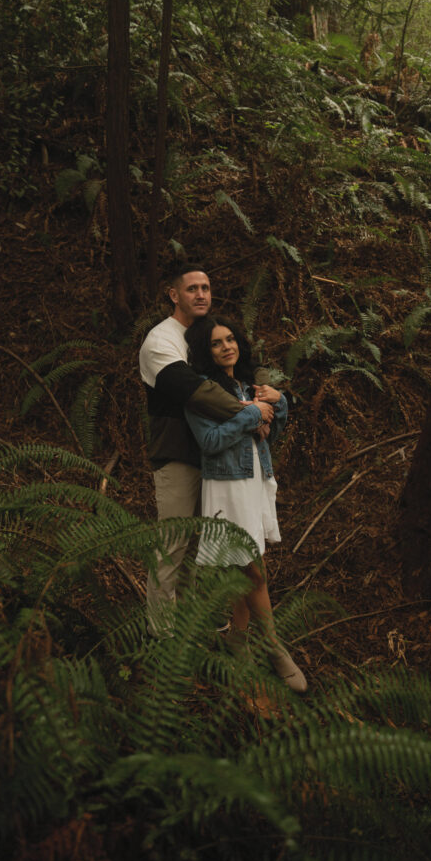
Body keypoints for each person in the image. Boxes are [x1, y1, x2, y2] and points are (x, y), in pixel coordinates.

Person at [138, 264, 274, 636]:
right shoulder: (160, 341)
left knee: (219, 546)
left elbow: (248, 363)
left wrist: (269, 392)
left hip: (220, 459)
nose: (201, 294)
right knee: (173, 545)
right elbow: (195, 391)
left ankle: (200, 621)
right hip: (180, 456)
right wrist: (251, 411)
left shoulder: (208, 331)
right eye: (192, 288)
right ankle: (163, 634)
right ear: (174, 295)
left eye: (206, 287)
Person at [184, 314, 308, 694]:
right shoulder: (203, 391)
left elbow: (269, 432)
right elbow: (209, 442)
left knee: (247, 566)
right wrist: (252, 413)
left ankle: (237, 639)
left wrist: (278, 403)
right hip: (227, 487)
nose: (227, 347)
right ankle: (273, 648)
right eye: (218, 343)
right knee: (252, 571)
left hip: (254, 480)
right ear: (207, 352)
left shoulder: (245, 385)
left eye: (231, 339)